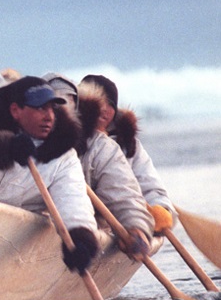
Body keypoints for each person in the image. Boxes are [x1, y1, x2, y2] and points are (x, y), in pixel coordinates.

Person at [0, 75, 101, 274]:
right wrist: (5, 147)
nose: (49, 117)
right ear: (15, 111)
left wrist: (81, 241)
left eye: (52, 108)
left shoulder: (63, 156)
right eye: (40, 108)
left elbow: (73, 200)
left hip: (5, 244)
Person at [42, 72, 154, 259]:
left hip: (88, 224)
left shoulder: (101, 148)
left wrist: (137, 227)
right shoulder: (20, 143)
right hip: (32, 225)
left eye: (64, 107)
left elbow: (123, 193)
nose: (52, 115)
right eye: (46, 107)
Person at [79, 74, 177, 235]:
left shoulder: (128, 146)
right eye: (95, 103)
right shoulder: (66, 141)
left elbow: (149, 185)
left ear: (111, 111)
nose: (103, 109)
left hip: (117, 224)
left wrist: (161, 209)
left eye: (108, 104)